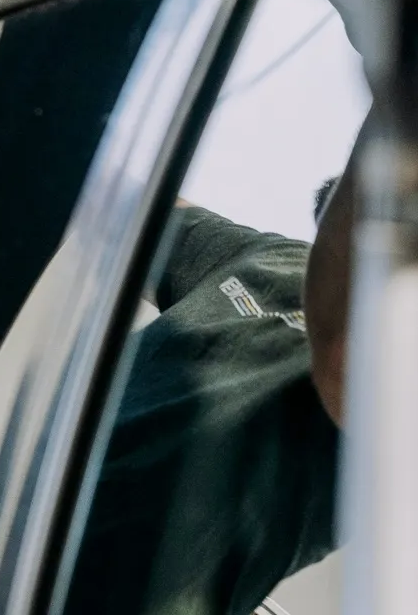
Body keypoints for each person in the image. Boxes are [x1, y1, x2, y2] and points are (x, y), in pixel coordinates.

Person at [46, 157, 358, 615]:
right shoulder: (267, 259)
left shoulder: (402, 379)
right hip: (16, 569)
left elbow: (344, 369)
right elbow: (131, 204)